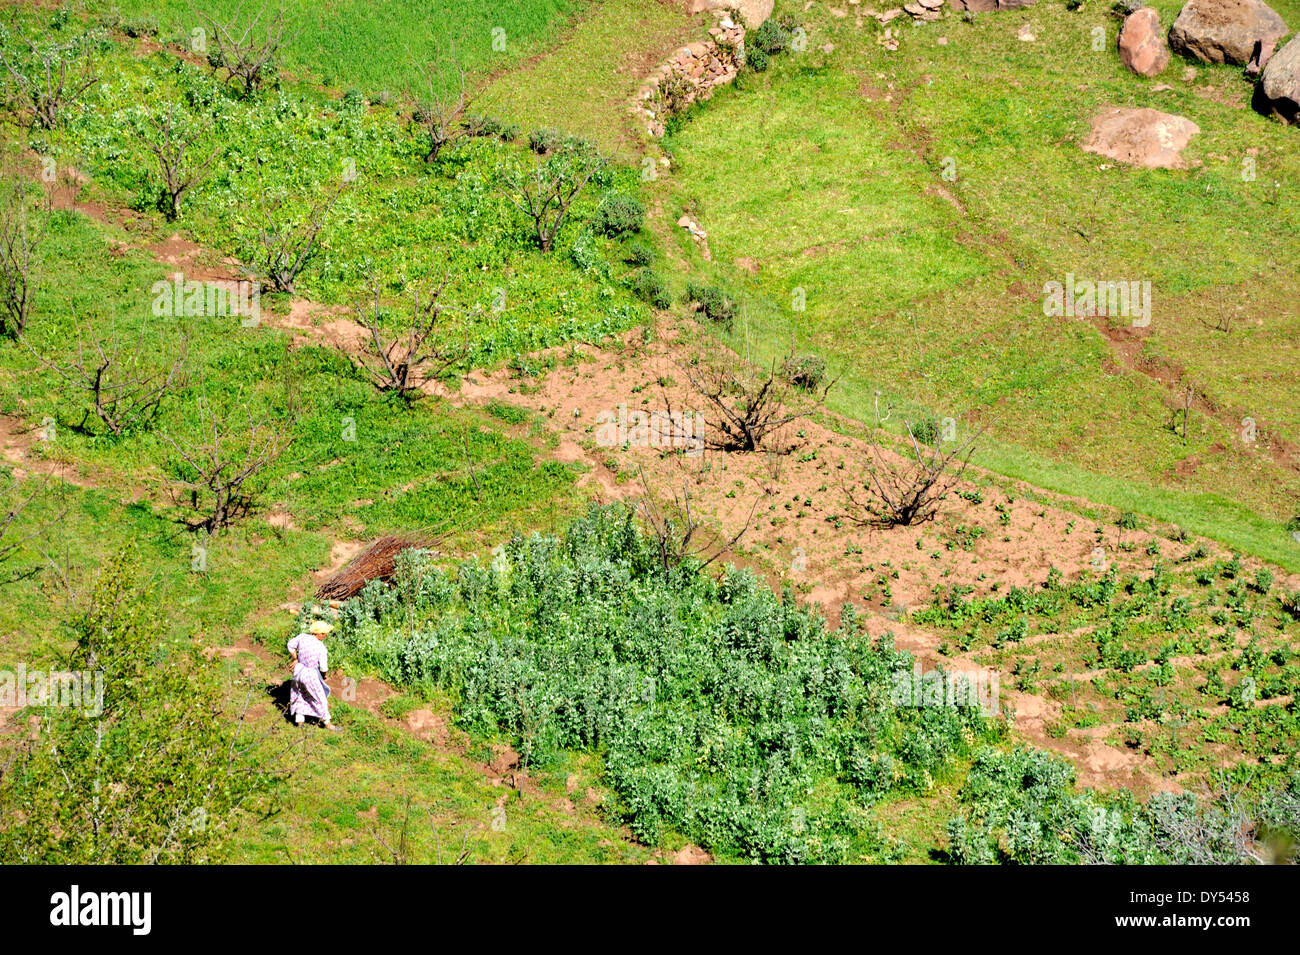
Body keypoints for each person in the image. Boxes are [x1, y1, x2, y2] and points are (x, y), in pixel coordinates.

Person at [287, 620, 340, 731]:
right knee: (320, 698)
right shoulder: (321, 647)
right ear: (319, 634)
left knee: (300, 694)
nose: (326, 636)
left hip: (298, 671)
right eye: (325, 634)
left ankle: (300, 721)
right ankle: (327, 723)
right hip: (310, 674)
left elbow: (290, 645)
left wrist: (296, 659)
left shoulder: (302, 637)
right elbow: (323, 667)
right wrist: (323, 676)